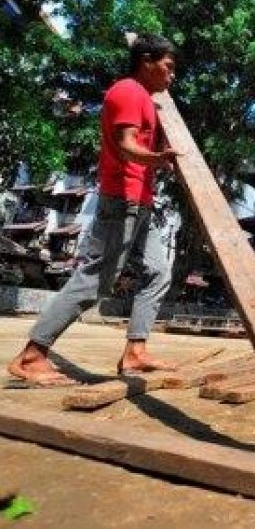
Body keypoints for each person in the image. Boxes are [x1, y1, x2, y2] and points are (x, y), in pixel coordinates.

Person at [6, 33, 182, 387]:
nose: (172, 74)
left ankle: (135, 351)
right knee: (96, 279)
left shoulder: (147, 98)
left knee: (159, 272)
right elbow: (127, 144)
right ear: (147, 61)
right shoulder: (128, 92)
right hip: (122, 199)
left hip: (141, 200)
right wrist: (158, 159)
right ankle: (32, 355)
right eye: (168, 66)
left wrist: (157, 158)